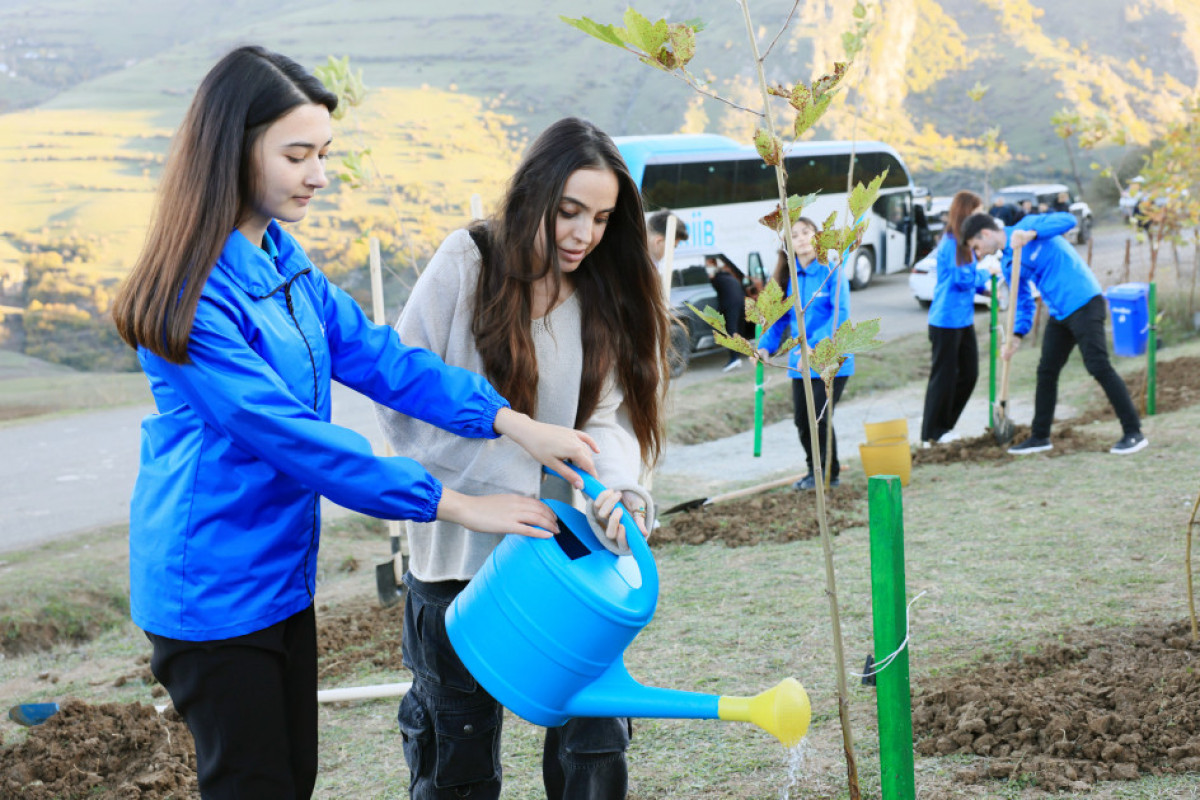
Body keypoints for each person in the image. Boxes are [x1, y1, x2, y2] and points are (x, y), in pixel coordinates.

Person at [109, 46, 597, 799]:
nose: (318, 175)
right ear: (232, 150)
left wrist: (509, 421)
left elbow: (382, 359)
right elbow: (290, 439)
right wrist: (455, 503)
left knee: (290, 779)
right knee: (252, 784)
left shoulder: (282, 260)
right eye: (297, 155)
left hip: (278, 576)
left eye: (324, 154)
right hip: (209, 588)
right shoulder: (190, 296)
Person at [376, 116, 672, 800]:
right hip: (458, 567)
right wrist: (508, 475)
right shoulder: (466, 261)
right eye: (569, 211)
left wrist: (617, 486)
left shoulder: (604, 287)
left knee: (594, 757)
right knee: (458, 769)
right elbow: (401, 404)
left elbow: (612, 418)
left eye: (600, 219)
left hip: (573, 569)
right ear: (534, 192)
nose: (583, 235)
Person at [963, 211, 1148, 455]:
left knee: (1098, 366)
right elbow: (1023, 301)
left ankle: (1134, 433)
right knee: (1046, 371)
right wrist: (1017, 335)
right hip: (1060, 314)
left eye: (977, 247)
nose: (979, 254)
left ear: (985, 234)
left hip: (1084, 301)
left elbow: (1068, 221)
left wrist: (1029, 235)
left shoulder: (1027, 226)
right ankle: (1040, 437)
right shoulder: (1010, 261)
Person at [757, 217, 852, 490]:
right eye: (794, 235)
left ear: (817, 236)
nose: (800, 238)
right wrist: (765, 346)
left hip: (831, 361)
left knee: (818, 417)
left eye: (806, 232)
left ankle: (827, 475)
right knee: (802, 419)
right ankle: (815, 471)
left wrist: (812, 345)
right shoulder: (788, 277)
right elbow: (780, 321)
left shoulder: (832, 271)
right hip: (800, 363)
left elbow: (839, 316)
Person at [921, 190, 990, 445]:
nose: (982, 218)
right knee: (943, 377)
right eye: (978, 212)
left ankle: (945, 427)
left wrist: (986, 288)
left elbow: (966, 278)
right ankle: (931, 433)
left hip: (963, 319)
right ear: (965, 213)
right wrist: (986, 273)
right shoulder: (951, 242)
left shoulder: (965, 242)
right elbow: (962, 279)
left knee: (969, 374)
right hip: (945, 321)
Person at [706, 255, 747, 371]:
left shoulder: (716, 280)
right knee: (737, 329)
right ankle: (737, 355)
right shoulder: (729, 277)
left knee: (731, 330)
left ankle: (734, 359)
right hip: (740, 302)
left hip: (730, 305)